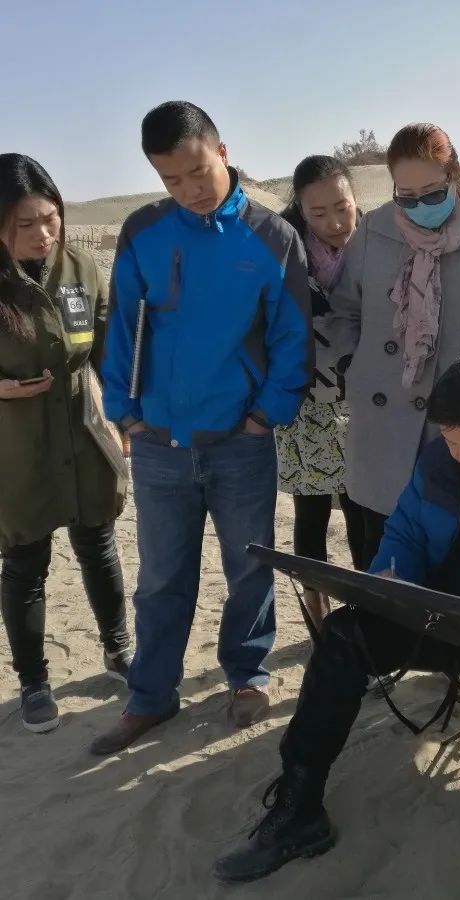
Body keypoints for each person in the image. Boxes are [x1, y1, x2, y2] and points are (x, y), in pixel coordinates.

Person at [213, 355, 460, 883]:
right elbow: (404, 534)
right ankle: (299, 799)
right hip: (443, 620)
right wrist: (389, 581)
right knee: (343, 634)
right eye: (451, 442)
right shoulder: (438, 461)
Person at [91, 101, 312, 755]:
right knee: (161, 578)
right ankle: (150, 698)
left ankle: (247, 675)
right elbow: (122, 329)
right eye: (170, 180)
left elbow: (292, 338)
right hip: (159, 442)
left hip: (239, 442)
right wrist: (124, 410)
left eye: (196, 171)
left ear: (221, 151)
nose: (188, 189)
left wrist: (264, 415)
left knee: (249, 571)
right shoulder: (144, 231)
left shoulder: (272, 236)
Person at [328, 123, 460, 567]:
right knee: (376, 555)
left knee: (439, 555)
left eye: (433, 194)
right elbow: (344, 310)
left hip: (446, 426)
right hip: (376, 422)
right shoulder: (373, 231)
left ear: (454, 177)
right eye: (407, 197)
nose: (420, 207)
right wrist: (349, 364)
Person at [0, 154, 132, 733]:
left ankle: (118, 647)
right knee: (26, 562)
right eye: (24, 224)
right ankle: (34, 682)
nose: (42, 234)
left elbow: (104, 348)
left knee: (98, 542)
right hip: (16, 447)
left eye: (50, 218)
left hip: (81, 434)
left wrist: (126, 416)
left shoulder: (81, 269)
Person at [276, 155, 365, 628]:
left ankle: (371, 615)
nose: (334, 223)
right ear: (300, 209)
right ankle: (318, 619)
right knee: (310, 515)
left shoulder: (377, 244)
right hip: (304, 408)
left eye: (343, 207)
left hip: (365, 403)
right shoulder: (284, 252)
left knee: (363, 514)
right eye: (318, 213)